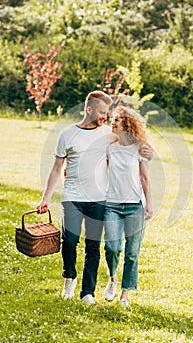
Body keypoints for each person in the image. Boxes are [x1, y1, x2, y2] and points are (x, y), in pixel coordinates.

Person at [37, 91, 153, 305]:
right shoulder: (67, 134)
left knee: (93, 247)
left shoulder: (108, 133)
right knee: (70, 241)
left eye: (107, 112)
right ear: (88, 110)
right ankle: (70, 277)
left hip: (99, 199)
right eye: (101, 112)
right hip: (72, 196)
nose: (105, 117)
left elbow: (134, 141)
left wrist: (149, 151)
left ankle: (87, 293)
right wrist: (45, 198)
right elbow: (56, 168)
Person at [103, 106, 153, 307]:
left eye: (117, 120)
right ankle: (113, 277)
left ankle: (125, 294)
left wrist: (148, 203)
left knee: (132, 252)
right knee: (112, 247)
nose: (112, 123)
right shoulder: (109, 147)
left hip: (134, 206)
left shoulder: (139, 148)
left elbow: (144, 177)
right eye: (112, 120)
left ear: (128, 124)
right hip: (112, 205)